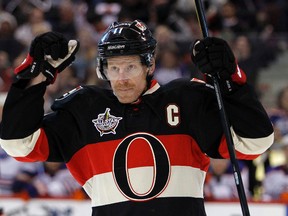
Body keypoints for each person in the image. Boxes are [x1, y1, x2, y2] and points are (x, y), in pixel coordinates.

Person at [0, 20, 274, 216]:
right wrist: (35, 76)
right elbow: (18, 144)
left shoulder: (187, 100)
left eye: (130, 66)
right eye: (113, 67)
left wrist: (230, 80)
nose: (121, 78)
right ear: (102, 69)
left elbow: (256, 142)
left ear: (150, 64)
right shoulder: (83, 110)